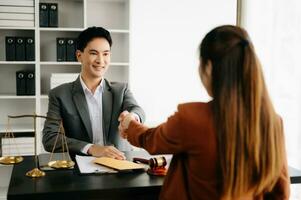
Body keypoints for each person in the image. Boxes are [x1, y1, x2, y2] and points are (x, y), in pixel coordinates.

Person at [118, 25, 290, 199]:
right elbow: (281, 192)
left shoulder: (192, 119)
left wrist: (130, 125)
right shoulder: (273, 123)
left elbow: (151, 139)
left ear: (208, 67)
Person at [43, 26, 145, 160]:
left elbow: (137, 110)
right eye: (93, 53)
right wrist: (91, 148)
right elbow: (50, 138)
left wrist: (132, 117)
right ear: (79, 56)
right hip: (82, 169)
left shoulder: (121, 90)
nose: (100, 60)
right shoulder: (59, 94)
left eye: (105, 54)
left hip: (121, 167)